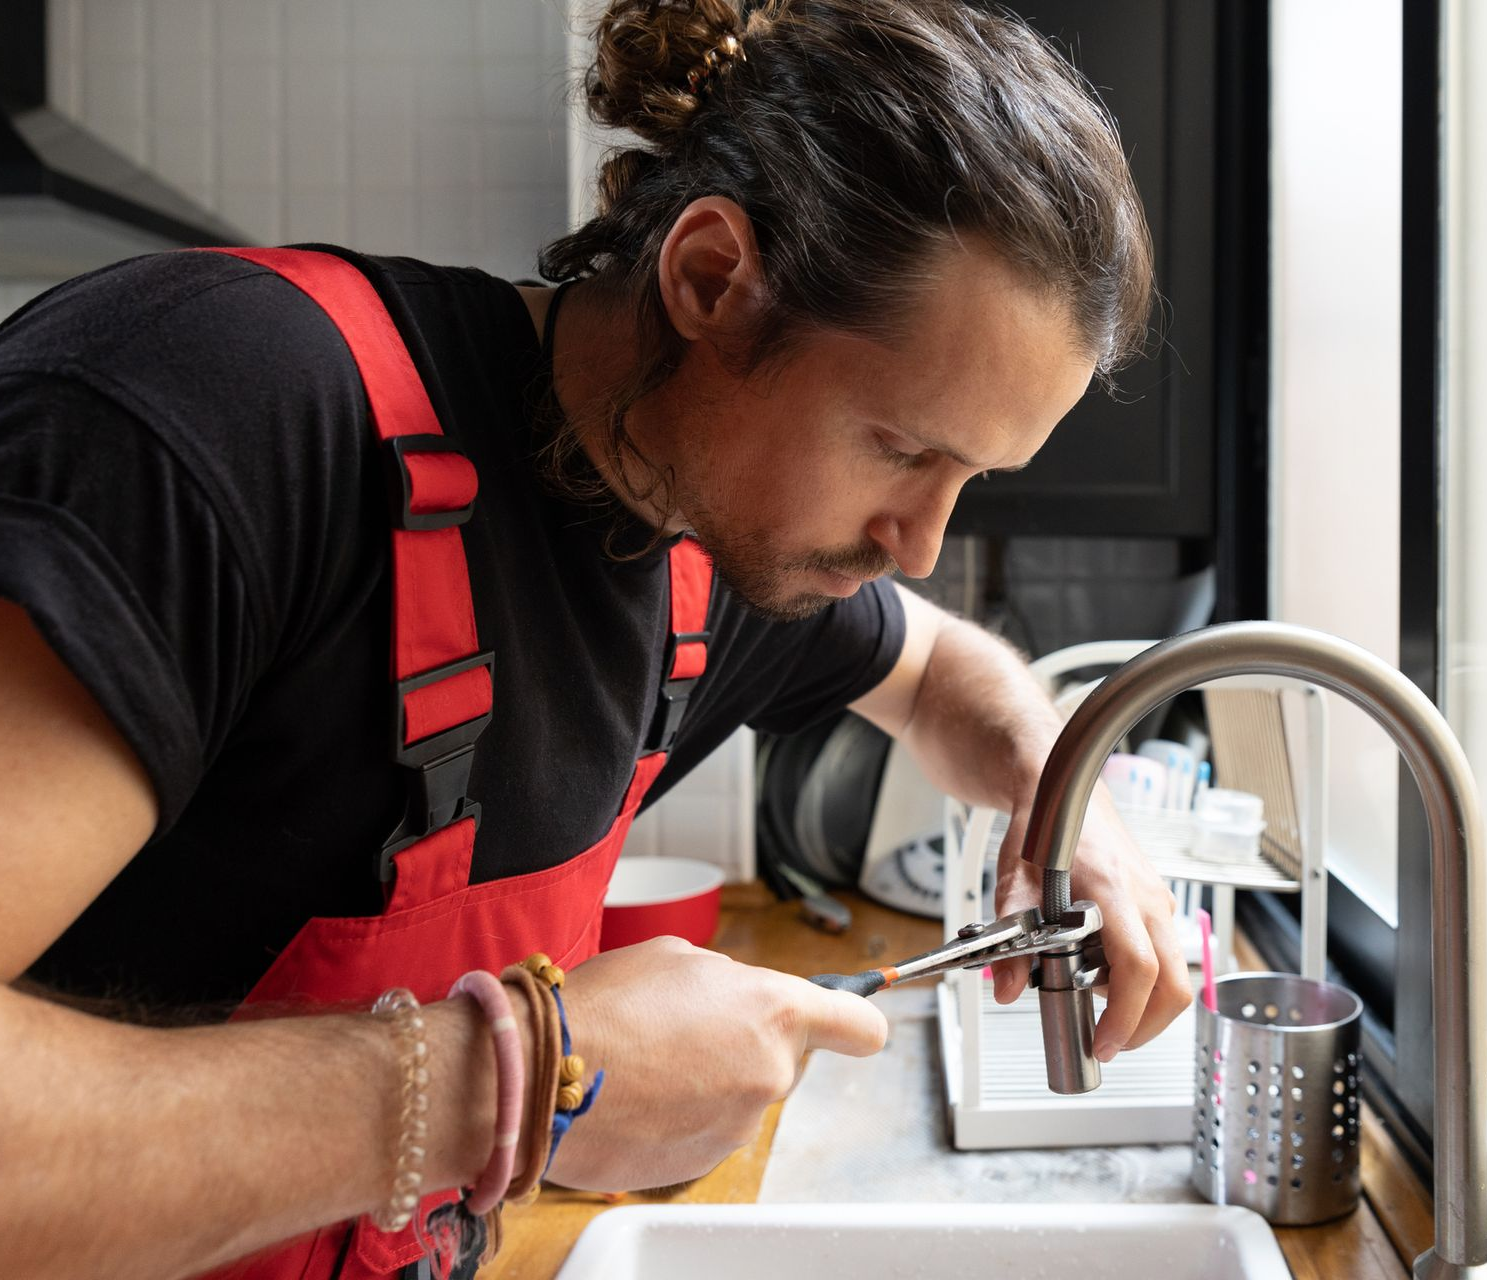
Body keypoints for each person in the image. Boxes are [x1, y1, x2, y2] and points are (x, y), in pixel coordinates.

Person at [0, 1, 1189, 1276]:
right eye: (900, 449)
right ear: (710, 280)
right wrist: (503, 1077)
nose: (915, 543)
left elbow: (945, 672)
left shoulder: (705, 545)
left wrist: (1061, 801)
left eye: (974, 477)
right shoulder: (222, 411)